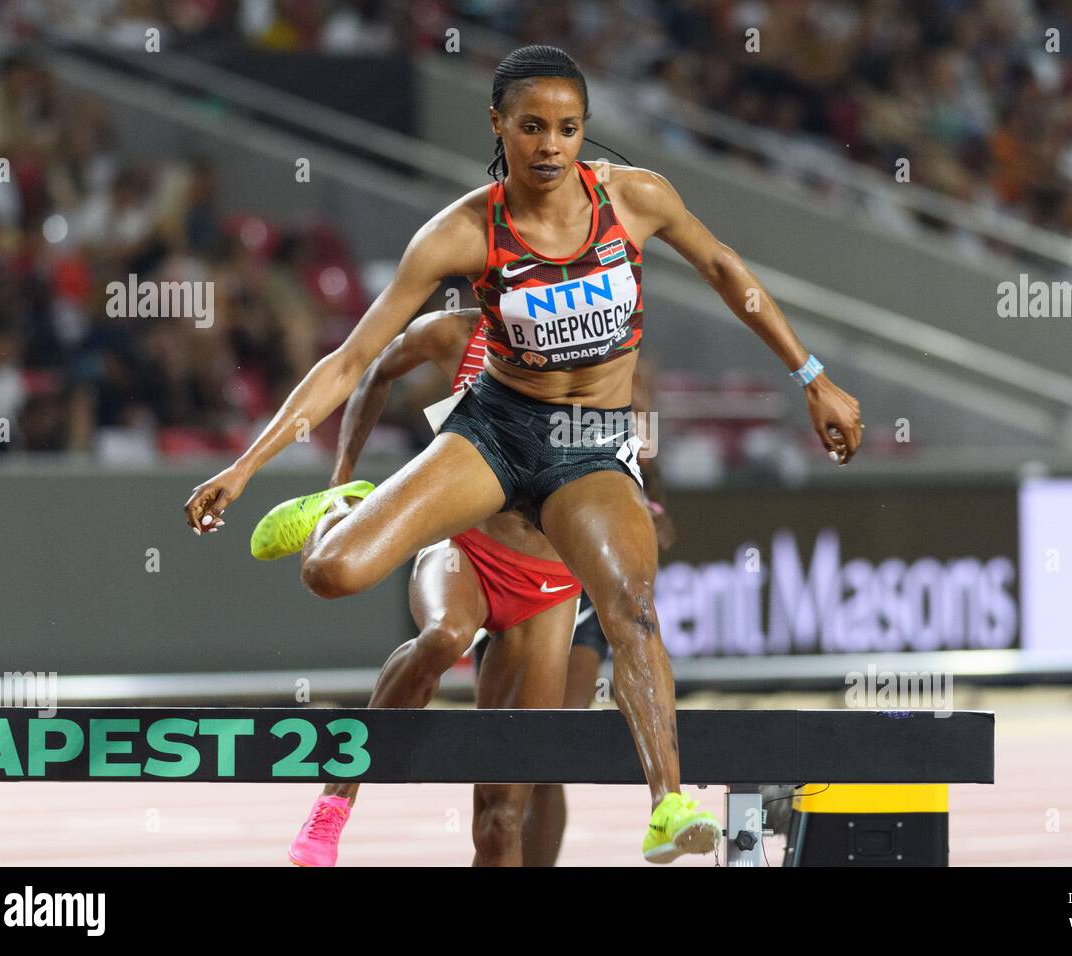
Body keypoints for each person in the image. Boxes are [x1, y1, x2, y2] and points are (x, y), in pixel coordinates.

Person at [184, 44, 862, 863]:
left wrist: (812, 375)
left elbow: (724, 268)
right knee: (332, 574)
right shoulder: (463, 233)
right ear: (498, 124)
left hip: (591, 449)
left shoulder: (637, 199)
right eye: (532, 126)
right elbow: (354, 361)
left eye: (569, 129)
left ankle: (667, 805)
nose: (550, 145)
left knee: (631, 606)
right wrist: (244, 467)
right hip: (497, 432)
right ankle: (342, 506)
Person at [284, 307, 670, 866]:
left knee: (504, 815)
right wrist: (340, 480)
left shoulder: (607, 357)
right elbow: (374, 372)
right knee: (444, 635)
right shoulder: (455, 334)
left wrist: (644, 505)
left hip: (550, 585)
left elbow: (635, 453)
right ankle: (334, 804)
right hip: (465, 548)